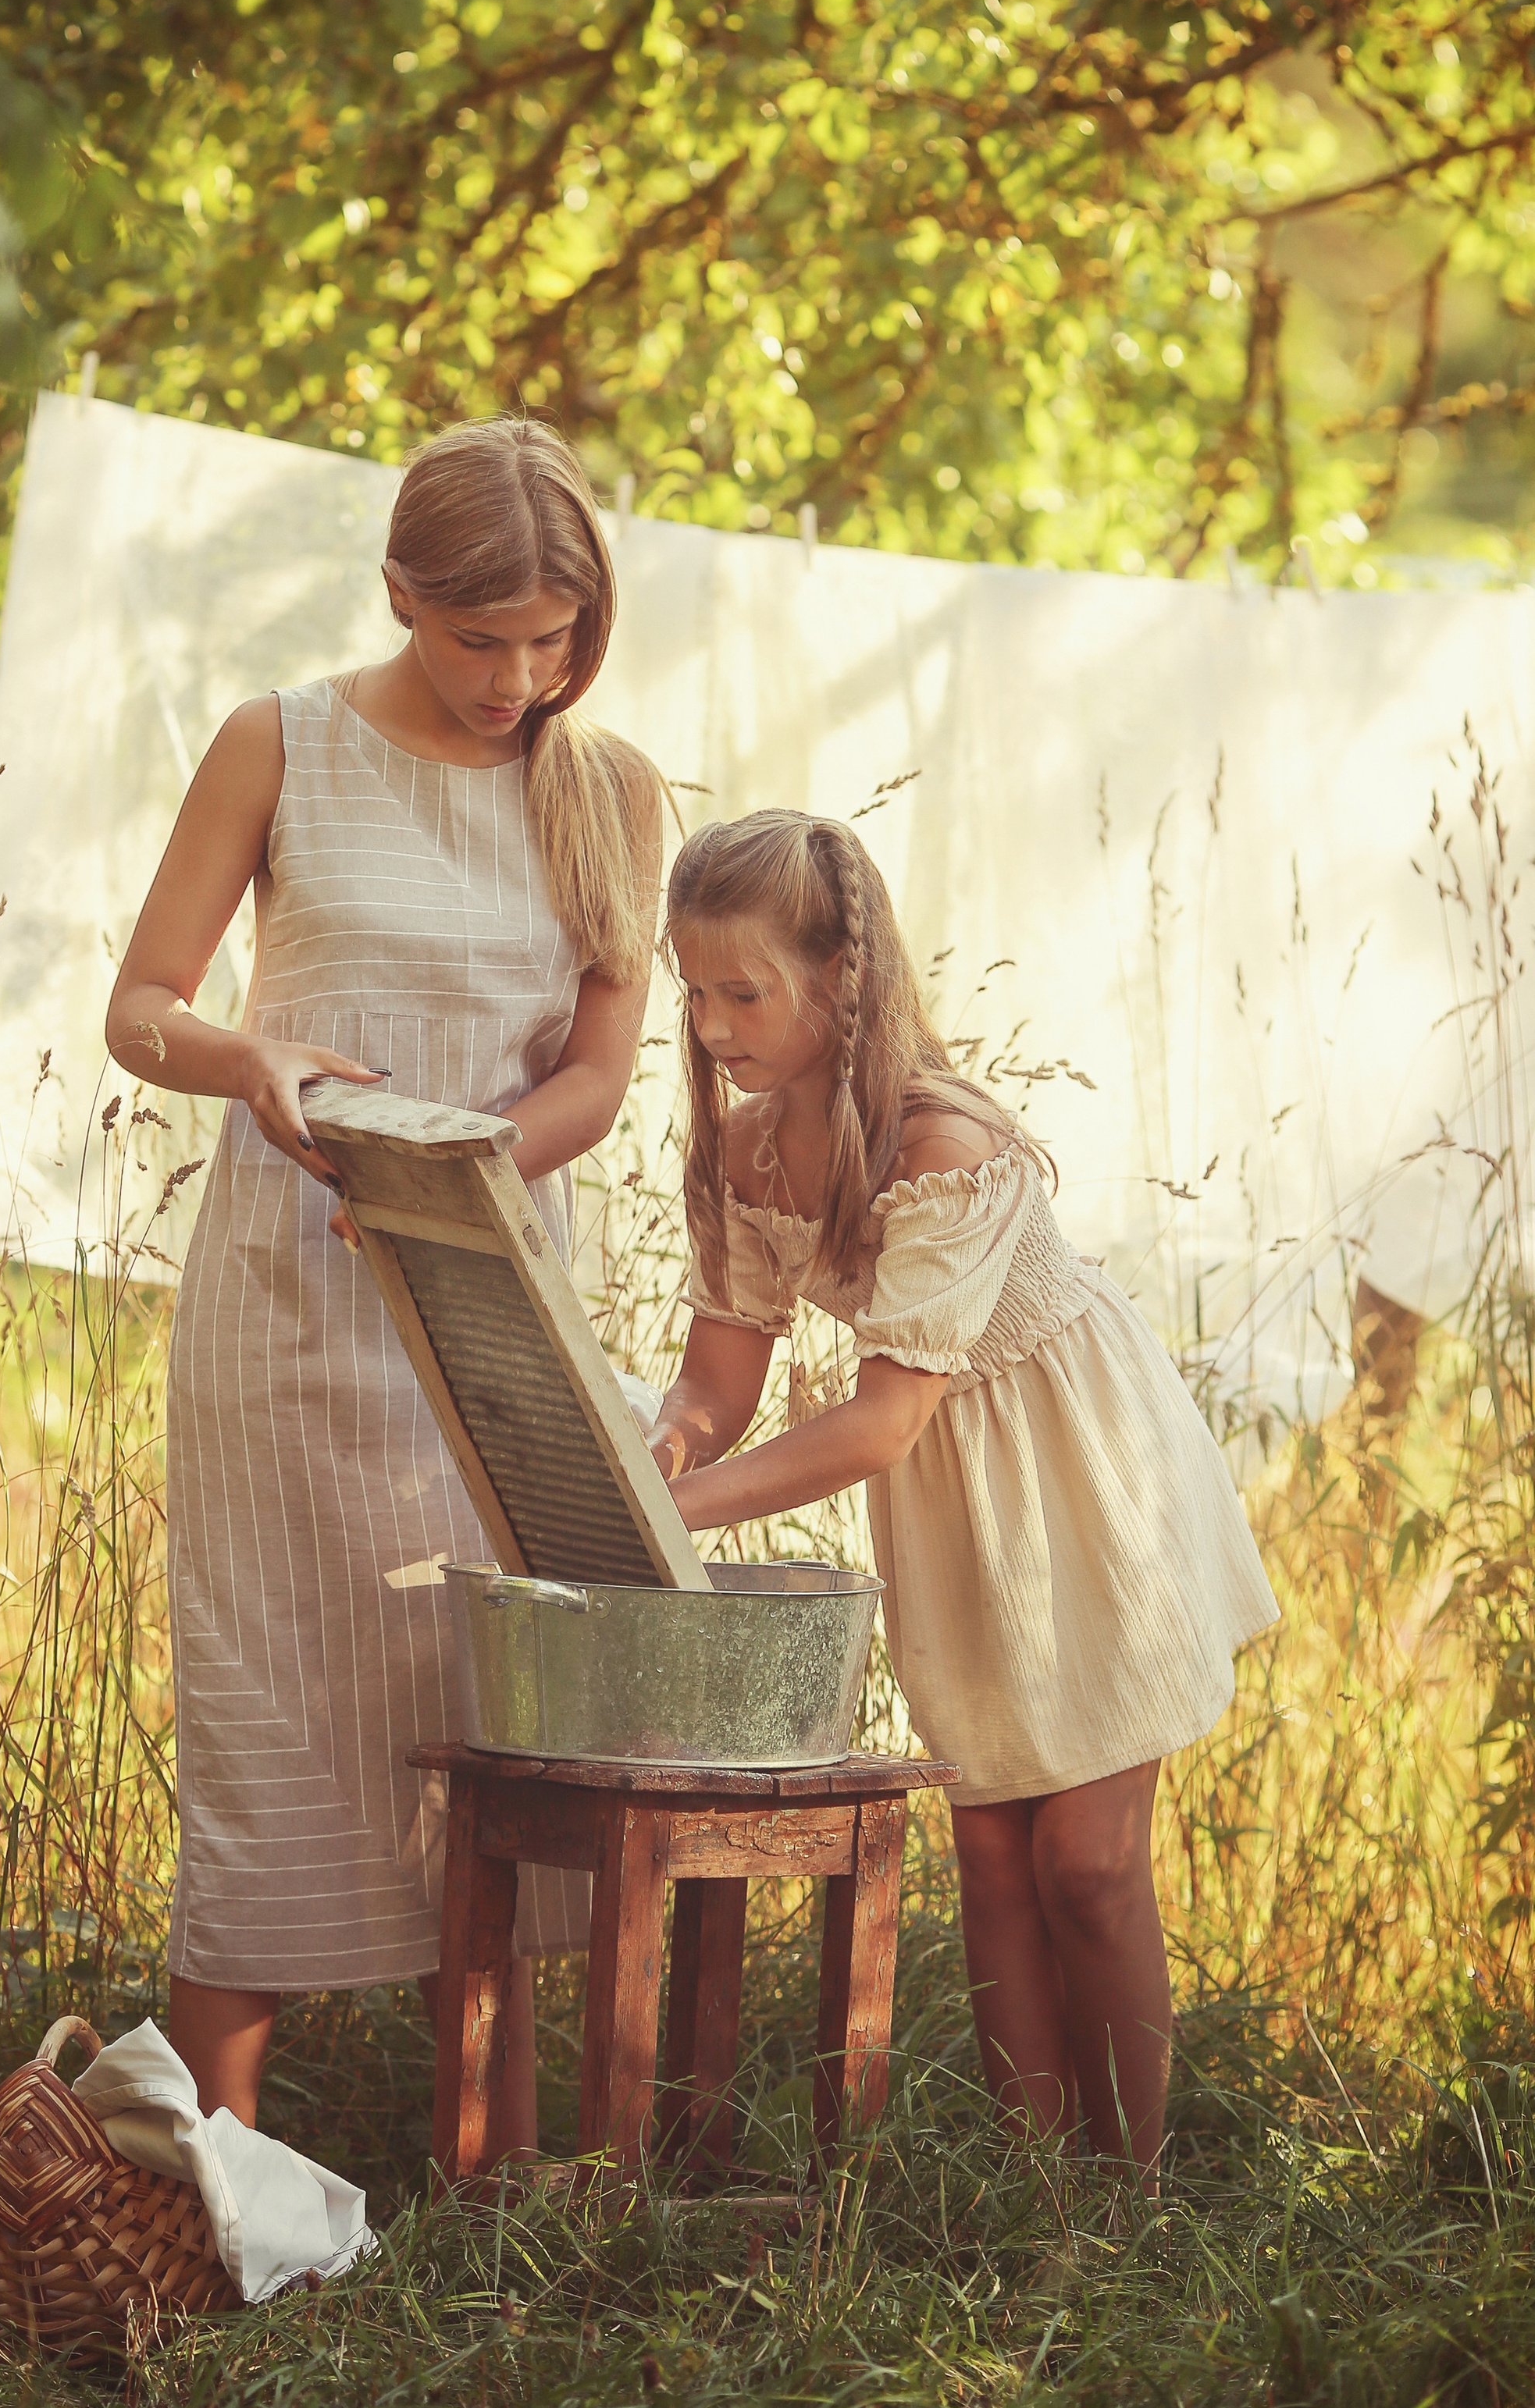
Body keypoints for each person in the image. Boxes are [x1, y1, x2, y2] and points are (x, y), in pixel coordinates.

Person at [106, 418, 661, 2147]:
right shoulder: (278, 742)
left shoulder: (610, 788)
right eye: (478, 636)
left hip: (486, 1303)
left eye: (551, 639)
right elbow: (141, 1009)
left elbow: (593, 1074)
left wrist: (455, 1176)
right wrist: (249, 1062)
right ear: (399, 597)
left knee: (482, 1715)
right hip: (284, 1310)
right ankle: (203, 2184)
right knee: (273, 1706)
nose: (517, 676)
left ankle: (467, 2175)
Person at [646, 811, 1278, 2171]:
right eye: (691, 991)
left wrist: (684, 1522)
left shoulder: (944, 1144)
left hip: (1081, 1478)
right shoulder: (746, 1158)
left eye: (742, 992)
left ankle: (1130, 2205)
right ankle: (1037, 2203)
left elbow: (880, 1417)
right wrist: (665, 1454)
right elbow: (719, 1382)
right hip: (951, 1509)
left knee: (1089, 1866)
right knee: (991, 1859)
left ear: (842, 983)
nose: (709, 1026)